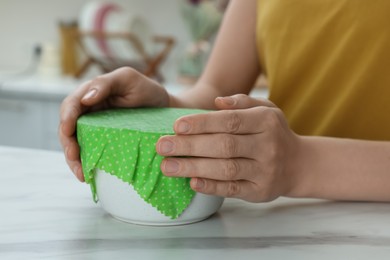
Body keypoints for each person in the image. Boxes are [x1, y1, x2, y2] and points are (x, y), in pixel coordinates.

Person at [59, 0, 390, 203]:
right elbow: (216, 89)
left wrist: (300, 163)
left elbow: (291, 161)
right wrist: (161, 106)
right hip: (283, 217)